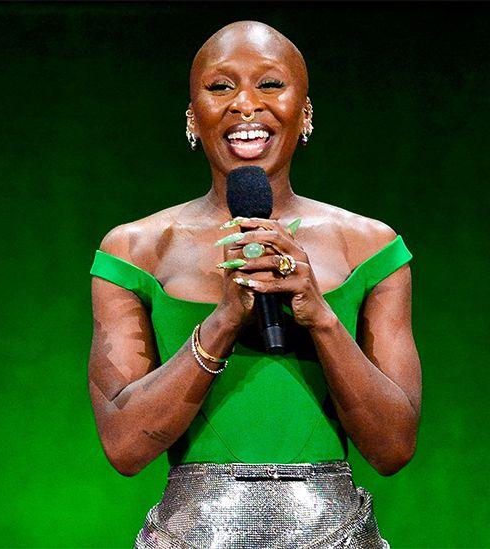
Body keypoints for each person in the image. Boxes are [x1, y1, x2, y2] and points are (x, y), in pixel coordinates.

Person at [88, 21, 419, 548]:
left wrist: (320, 316)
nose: (246, 104)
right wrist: (222, 322)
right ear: (193, 117)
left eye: (269, 84)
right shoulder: (135, 250)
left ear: (305, 112)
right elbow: (126, 447)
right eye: (221, 86)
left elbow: (394, 446)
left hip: (336, 535)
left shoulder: (371, 248)